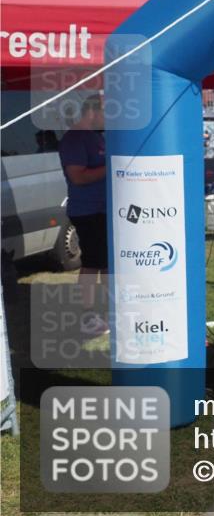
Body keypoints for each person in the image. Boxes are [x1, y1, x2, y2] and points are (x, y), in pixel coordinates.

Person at [58, 95, 109, 336]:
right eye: (107, 112)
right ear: (93, 111)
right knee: (92, 264)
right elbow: (78, 177)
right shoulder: (74, 139)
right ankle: (87, 317)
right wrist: (111, 165)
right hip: (87, 211)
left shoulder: (97, 136)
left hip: (104, 210)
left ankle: (111, 313)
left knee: (108, 264)